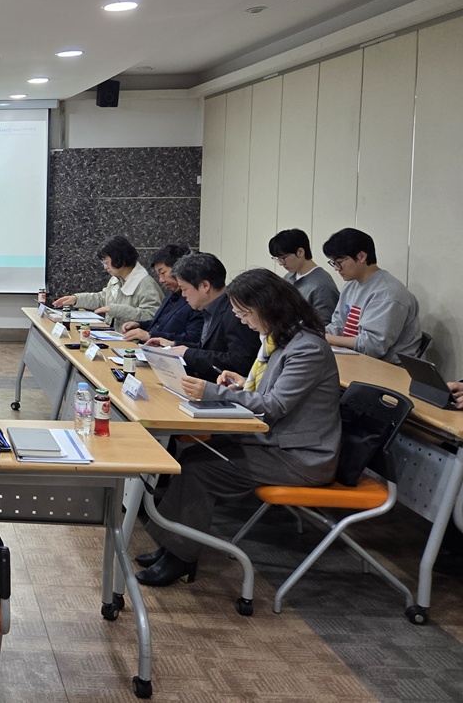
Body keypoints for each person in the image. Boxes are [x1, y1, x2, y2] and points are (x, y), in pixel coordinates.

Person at [136, 269, 342, 586]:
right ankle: (172, 548)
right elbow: (273, 393)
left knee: (200, 471)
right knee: (190, 458)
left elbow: (275, 405)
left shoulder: (307, 348)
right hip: (277, 444)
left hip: (302, 457)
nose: (243, 321)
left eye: (245, 314)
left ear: (268, 307)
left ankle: (180, 558)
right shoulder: (282, 341)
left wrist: (212, 392)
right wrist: (242, 384)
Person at [144, 252, 258, 380]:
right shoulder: (211, 308)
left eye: (184, 289)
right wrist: (173, 344)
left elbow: (240, 362)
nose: (183, 295)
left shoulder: (236, 313)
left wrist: (187, 353)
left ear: (205, 286)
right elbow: (209, 349)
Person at [322, 228, 421, 363]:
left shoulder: (388, 293)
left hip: (388, 368)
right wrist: (316, 333)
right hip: (356, 360)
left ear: (362, 256)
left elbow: (372, 347)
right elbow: (338, 325)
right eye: (333, 263)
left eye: (339, 262)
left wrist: (326, 337)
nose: (336, 268)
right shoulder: (351, 285)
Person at [52, 236, 163, 330]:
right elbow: (103, 298)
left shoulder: (145, 284)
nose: (105, 268)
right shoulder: (117, 278)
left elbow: (151, 316)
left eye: (106, 263)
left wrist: (115, 310)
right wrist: (76, 299)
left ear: (120, 258)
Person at [121, 244, 204, 346]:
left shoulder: (195, 299)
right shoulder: (171, 293)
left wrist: (151, 336)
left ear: (178, 269)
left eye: (163, 273)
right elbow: (161, 323)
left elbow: (193, 339)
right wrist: (139, 325)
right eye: (158, 275)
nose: (161, 280)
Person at [268, 228, 339, 323]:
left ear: (300, 252)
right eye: (278, 259)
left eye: (283, 258)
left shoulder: (322, 285)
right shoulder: (288, 277)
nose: (281, 263)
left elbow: (324, 325)